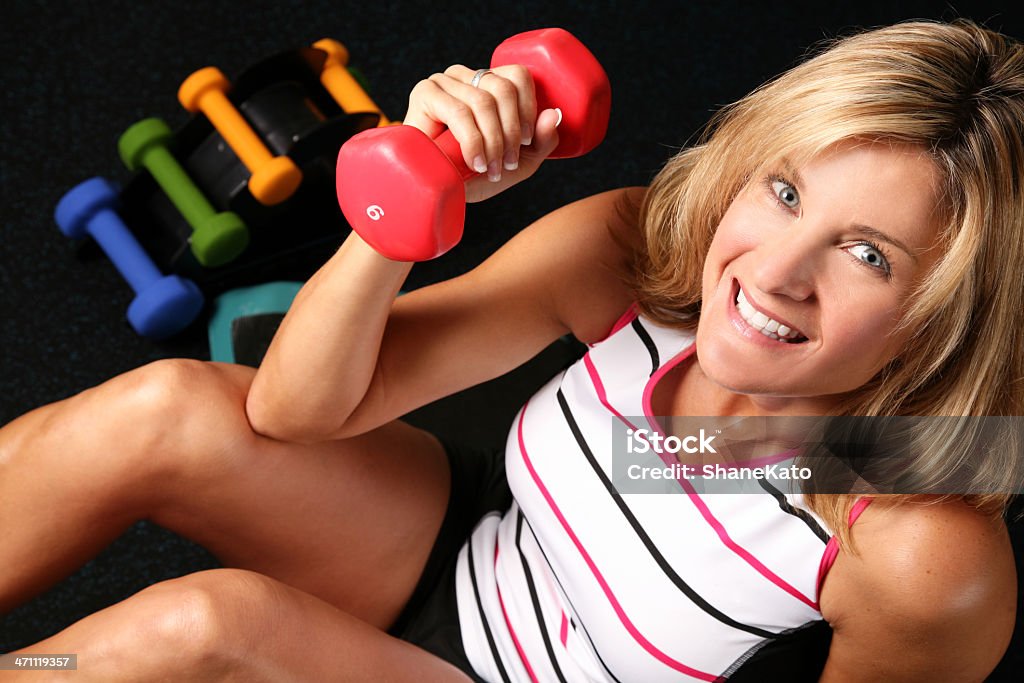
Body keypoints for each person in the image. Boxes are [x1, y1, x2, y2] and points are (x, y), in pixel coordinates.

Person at [1, 17, 1020, 682]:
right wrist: (400, 219)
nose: (771, 271)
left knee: (203, 628)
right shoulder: (639, 253)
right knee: (166, 410)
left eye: (865, 254)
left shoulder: (920, 549)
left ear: (948, 310)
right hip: (462, 554)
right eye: (786, 193)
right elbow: (293, 412)